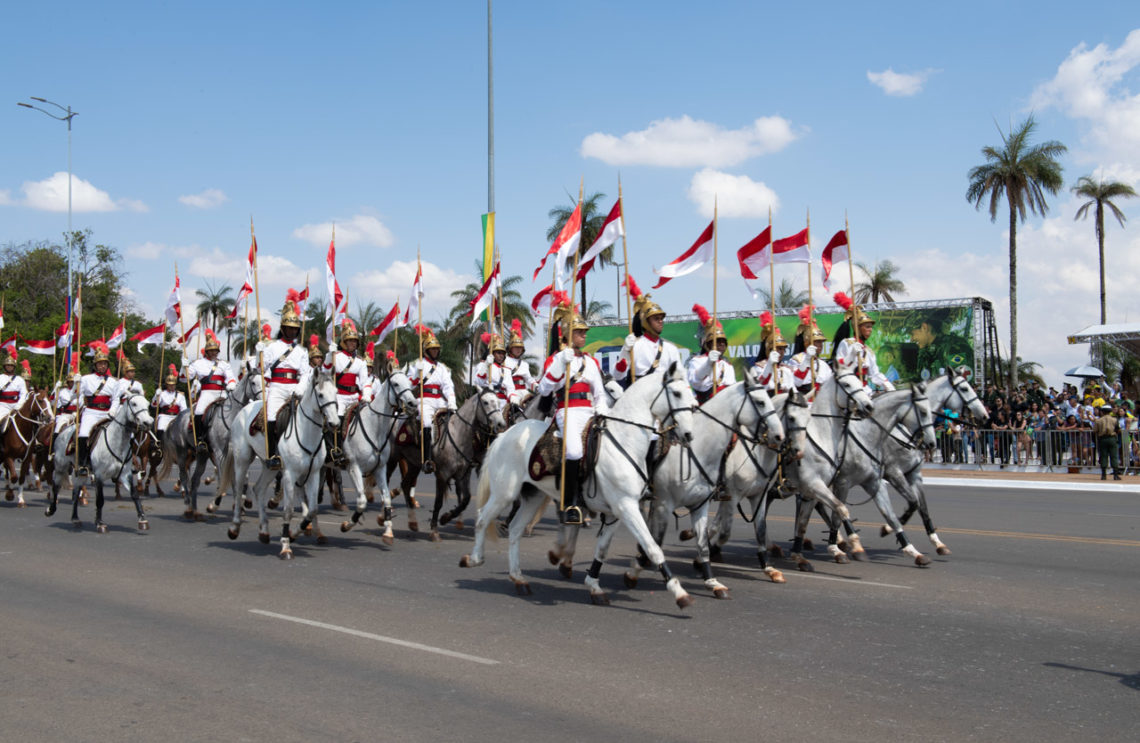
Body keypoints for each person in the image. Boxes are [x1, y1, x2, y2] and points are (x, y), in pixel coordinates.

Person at [536, 292, 610, 525]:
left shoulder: (591, 361)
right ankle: (569, 503)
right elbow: (544, 388)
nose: (584, 336)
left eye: (585, 332)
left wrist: (603, 412)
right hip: (567, 411)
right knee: (575, 452)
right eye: (579, 332)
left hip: (590, 412)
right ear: (568, 334)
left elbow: (599, 393)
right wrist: (560, 362)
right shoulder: (556, 359)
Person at [257, 298, 310, 471]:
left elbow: (306, 373)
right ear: (283, 328)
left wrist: (300, 389)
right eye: (290, 328)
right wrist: (260, 353)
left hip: (295, 386)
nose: (293, 331)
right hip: (277, 386)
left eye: (295, 329)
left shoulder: (302, 351)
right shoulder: (272, 347)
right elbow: (262, 368)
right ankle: (272, 454)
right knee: (271, 416)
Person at [406, 324, 456, 474]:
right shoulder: (417, 364)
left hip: (440, 400)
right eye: (432, 349)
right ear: (426, 350)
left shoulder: (442, 368)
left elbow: (447, 386)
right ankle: (427, 459)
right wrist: (416, 374)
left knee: (455, 420)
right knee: (426, 423)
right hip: (424, 400)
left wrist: (451, 402)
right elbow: (409, 384)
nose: (435, 351)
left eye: (436, 349)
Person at [613, 274, 681, 386]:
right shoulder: (635, 345)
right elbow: (617, 375)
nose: (660, 321)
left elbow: (679, 376)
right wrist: (625, 351)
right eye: (656, 319)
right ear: (646, 322)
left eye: (661, 318)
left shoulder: (671, 348)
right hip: (641, 396)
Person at [325, 321, 374, 466]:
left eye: (354, 341)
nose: (353, 343)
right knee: (336, 419)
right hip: (339, 395)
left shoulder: (361, 362)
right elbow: (326, 371)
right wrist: (329, 356)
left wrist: (367, 394)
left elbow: (365, 381)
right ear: (344, 342)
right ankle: (335, 448)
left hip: (354, 396)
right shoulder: (337, 356)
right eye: (350, 340)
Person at [183, 329, 236, 453]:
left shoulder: (224, 364)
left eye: (216, 351)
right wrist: (183, 367)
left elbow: (230, 377)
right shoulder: (198, 363)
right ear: (207, 351)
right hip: (207, 393)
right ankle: (200, 439)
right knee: (199, 411)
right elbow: (185, 378)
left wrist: (231, 384)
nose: (214, 353)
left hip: (222, 392)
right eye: (211, 351)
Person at [831, 291, 895, 391]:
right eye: (867, 327)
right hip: (848, 390)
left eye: (871, 327)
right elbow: (838, 365)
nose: (870, 329)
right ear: (858, 328)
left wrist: (886, 383)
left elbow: (874, 374)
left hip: (864, 389)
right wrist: (851, 354)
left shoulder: (869, 352)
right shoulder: (847, 343)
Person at [76, 342, 118, 476]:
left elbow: (116, 399)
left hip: (107, 413)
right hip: (91, 412)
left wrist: (113, 410)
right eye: (100, 364)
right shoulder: (86, 379)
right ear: (95, 365)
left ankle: (122, 462)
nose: (103, 366)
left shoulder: (113, 381)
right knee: (83, 434)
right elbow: (76, 396)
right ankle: (83, 464)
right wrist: (75, 386)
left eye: (105, 364)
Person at [687, 303, 735, 403]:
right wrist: (708, 363)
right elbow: (696, 381)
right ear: (708, 344)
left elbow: (732, 388)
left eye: (723, 342)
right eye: (717, 341)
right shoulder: (696, 361)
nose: (721, 345)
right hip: (705, 405)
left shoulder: (727, 365)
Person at [909, 309, 973, 378]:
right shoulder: (925, 351)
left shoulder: (955, 347)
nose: (911, 339)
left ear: (924, 327)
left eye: (913, 334)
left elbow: (962, 382)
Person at [788, 304, 833, 398]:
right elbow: (796, 382)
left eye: (821, 342)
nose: (820, 345)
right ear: (807, 343)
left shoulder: (824, 365)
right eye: (817, 342)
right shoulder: (797, 359)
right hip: (803, 403)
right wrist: (807, 360)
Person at [473, 332, 519, 413]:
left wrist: (512, 396)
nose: (501, 356)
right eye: (498, 353)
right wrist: (486, 365)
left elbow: (510, 388)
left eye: (503, 354)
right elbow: (478, 382)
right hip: (487, 401)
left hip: (503, 402)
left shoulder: (506, 370)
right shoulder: (482, 365)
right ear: (492, 353)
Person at [750, 311, 794, 393]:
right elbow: (761, 384)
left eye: (783, 349)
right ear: (769, 350)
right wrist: (770, 364)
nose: (781, 352)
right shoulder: (759, 368)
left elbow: (793, 390)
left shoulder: (786, 370)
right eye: (778, 348)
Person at [151, 364, 186, 445]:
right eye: (169, 385)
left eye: (173, 385)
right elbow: (154, 405)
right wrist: (156, 396)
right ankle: (158, 444)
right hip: (164, 416)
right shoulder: (162, 394)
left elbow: (183, 410)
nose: (171, 386)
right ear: (166, 384)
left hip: (176, 417)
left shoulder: (180, 396)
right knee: (160, 427)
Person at [502, 319, 535, 393]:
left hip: (523, 392)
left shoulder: (524, 364)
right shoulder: (504, 360)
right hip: (508, 392)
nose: (518, 350)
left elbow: (528, 379)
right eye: (516, 347)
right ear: (511, 348)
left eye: (520, 348)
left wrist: (536, 385)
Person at [0, 352, 29, 431]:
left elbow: (24, 394)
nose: (9, 367)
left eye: (11, 365)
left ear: (14, 367)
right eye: (7, 365)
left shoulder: (20, 379)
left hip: (16, 407)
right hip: (2, 407)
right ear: (4, 366)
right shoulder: (0, 378)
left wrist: (18, 406)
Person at [1094, 404, 1122, 480]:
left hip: (1102, 439)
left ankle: (1103, 475)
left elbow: (1095, 430)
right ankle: (1115, 475)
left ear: (1102, 412)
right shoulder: (1114, 419)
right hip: (1112, 438)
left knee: (1103, 456)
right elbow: (1118, 429)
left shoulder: (1098, 420)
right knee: (1113, 456)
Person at [53, 370, 81, 435]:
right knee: (58, 428)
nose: (72, 383)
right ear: (67, 382)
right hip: (66, 415)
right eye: (70, 382)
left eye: (73, 382)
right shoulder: (63, 392)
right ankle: (54, 441)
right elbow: (66, 402)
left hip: (77, 415)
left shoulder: (80, 392)